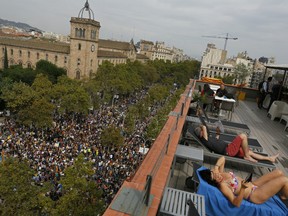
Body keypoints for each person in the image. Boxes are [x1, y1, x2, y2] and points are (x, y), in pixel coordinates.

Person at [199, 156, 288, 207]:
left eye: (214, 174)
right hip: (254, 195)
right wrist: (242, 189)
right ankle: (284, 197)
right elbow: (235, 203)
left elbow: (223, 158)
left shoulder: (219, 174)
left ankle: (283, 193)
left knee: (279, 172)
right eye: (215, 178)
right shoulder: (222, 185)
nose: (217, 176)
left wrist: (216, 167)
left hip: (252, 184)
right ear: (214, 182)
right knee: (284, 180)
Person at [194, 125, 279, 163]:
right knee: (243, 136)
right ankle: (247, 156)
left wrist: (218, 134)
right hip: (228, 151)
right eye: (201, 131)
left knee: (250, 152)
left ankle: (269, 158)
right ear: (201, 134)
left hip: (229, 147)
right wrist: (201, 126)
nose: (203, 131)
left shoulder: (207, 139)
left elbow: (215, 141)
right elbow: (204, 127)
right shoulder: (204, 140)